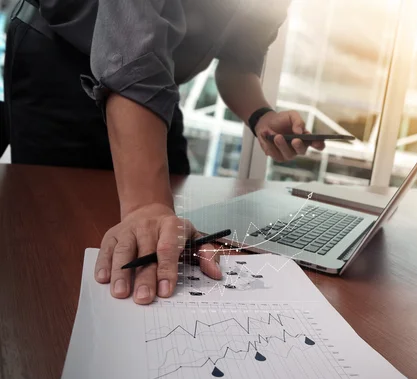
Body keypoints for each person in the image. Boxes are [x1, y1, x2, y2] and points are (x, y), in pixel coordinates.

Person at [3, 0, 325, 304]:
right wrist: (146, 206)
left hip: (158, 83)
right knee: (54, 239)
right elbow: (131, 32)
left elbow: (239, 66)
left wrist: (260, 116)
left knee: (164, 220)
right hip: (59, 56)